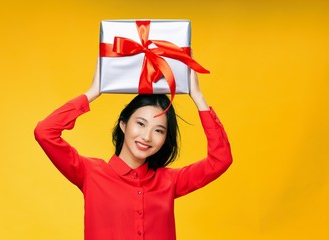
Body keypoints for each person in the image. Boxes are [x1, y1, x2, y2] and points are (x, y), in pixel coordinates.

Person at [34, 61, 233, 240]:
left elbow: (221, 159)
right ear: (123, 124)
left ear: (165, 139)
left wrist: (198, 98)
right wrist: (93, 92)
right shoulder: (90, 173)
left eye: (158, 130)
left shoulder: (169, 181)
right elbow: (45, 132)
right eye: (140, 123)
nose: (147, 137)